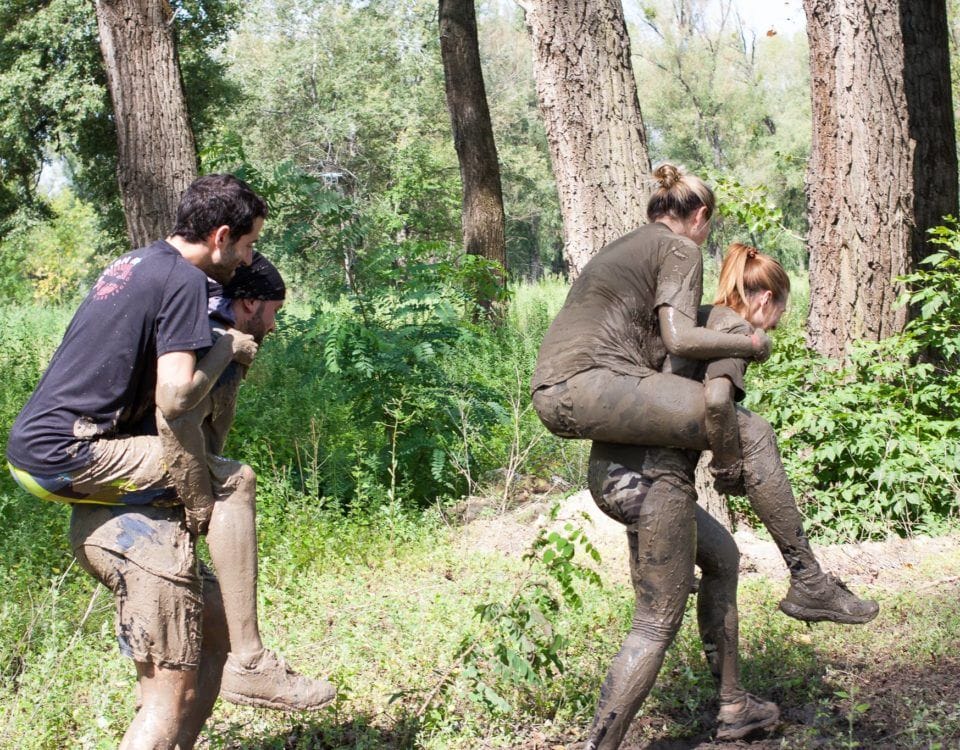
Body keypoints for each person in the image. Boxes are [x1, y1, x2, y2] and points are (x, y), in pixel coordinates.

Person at [6, 176, 329, 750]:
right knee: (236, 482)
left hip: (43, 449)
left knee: (209, 622)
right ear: (222, 236)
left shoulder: (138, 262)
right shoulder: (185, 279)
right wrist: (227, 349)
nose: (249, 258)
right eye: (250, 246)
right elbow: (175, 402)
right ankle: (252, 662)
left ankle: (238, 657)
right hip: (68, 450)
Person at [531, 163, 876, 625]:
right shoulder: (679, 248)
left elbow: (664, 358)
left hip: (569, 387)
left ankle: (728, 687)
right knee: (752, 431)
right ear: (701, 217)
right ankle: (809, 580)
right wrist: (752, 343)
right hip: (587, 382)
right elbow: (680, 339)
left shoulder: (627, 247)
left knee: (679, 467)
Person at [584, 443, 779, 749]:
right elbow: (716, 402)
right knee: (654, 625)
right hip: (650, 482)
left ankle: (734, 704)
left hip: (617, 473)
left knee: (722, 556)